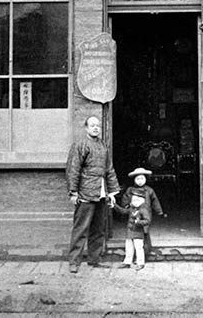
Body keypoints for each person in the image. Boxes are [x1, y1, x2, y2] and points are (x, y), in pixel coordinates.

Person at [65, 115, 120, 273]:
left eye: (98, 126)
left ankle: (94, 259)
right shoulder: (80, 145)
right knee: (81, 229)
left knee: (98, 229)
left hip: (101, 193)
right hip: (85, 194)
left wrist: (112, 192)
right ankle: (74, 262)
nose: (96, 128)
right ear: (86, 128)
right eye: (92, 125)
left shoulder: (103, 146)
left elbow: (109, 170)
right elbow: (73, 169)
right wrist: (73, 192)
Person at [119, 167, 166, 257]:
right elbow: (125, 199)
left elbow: (155, 201)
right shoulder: (130, 190)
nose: (140, 181)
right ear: (134, 180)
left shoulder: (149, 190)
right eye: (138, 179)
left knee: (145, 231)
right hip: (134, 214)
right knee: (134, 231)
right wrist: (125, 206)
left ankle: (146, 251)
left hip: (145, 214)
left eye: (142, 179)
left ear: (145, 179)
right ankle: (134, 253)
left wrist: (159, 211)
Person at [114, 192, 151, 270]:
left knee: (139, 248)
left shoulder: (143, 210)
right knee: (128, 247)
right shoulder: (131, 209)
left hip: (138, 232)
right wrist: (115, 205)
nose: (135, 202)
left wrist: (139, 222)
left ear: (142, 201)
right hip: (130, 232)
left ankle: (140, 263)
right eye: (134, 200)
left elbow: (147, 220)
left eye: (137, 200)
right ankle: (127, 262)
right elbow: (123, 211)